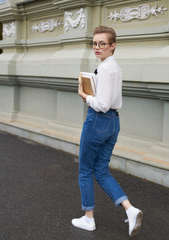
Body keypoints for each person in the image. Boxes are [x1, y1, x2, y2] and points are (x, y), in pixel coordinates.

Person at [72, 26, 143, 237]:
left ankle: (88, 219)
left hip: (98, 121)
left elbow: (101, 104)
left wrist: (84, 95)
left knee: (85, 170)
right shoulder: (115, 67)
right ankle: (130, 210)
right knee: (101, 170)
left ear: (113, 46)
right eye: (94, 43)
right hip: (113, 123)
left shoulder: (104, 68)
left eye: (102, 43)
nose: (97, 47)